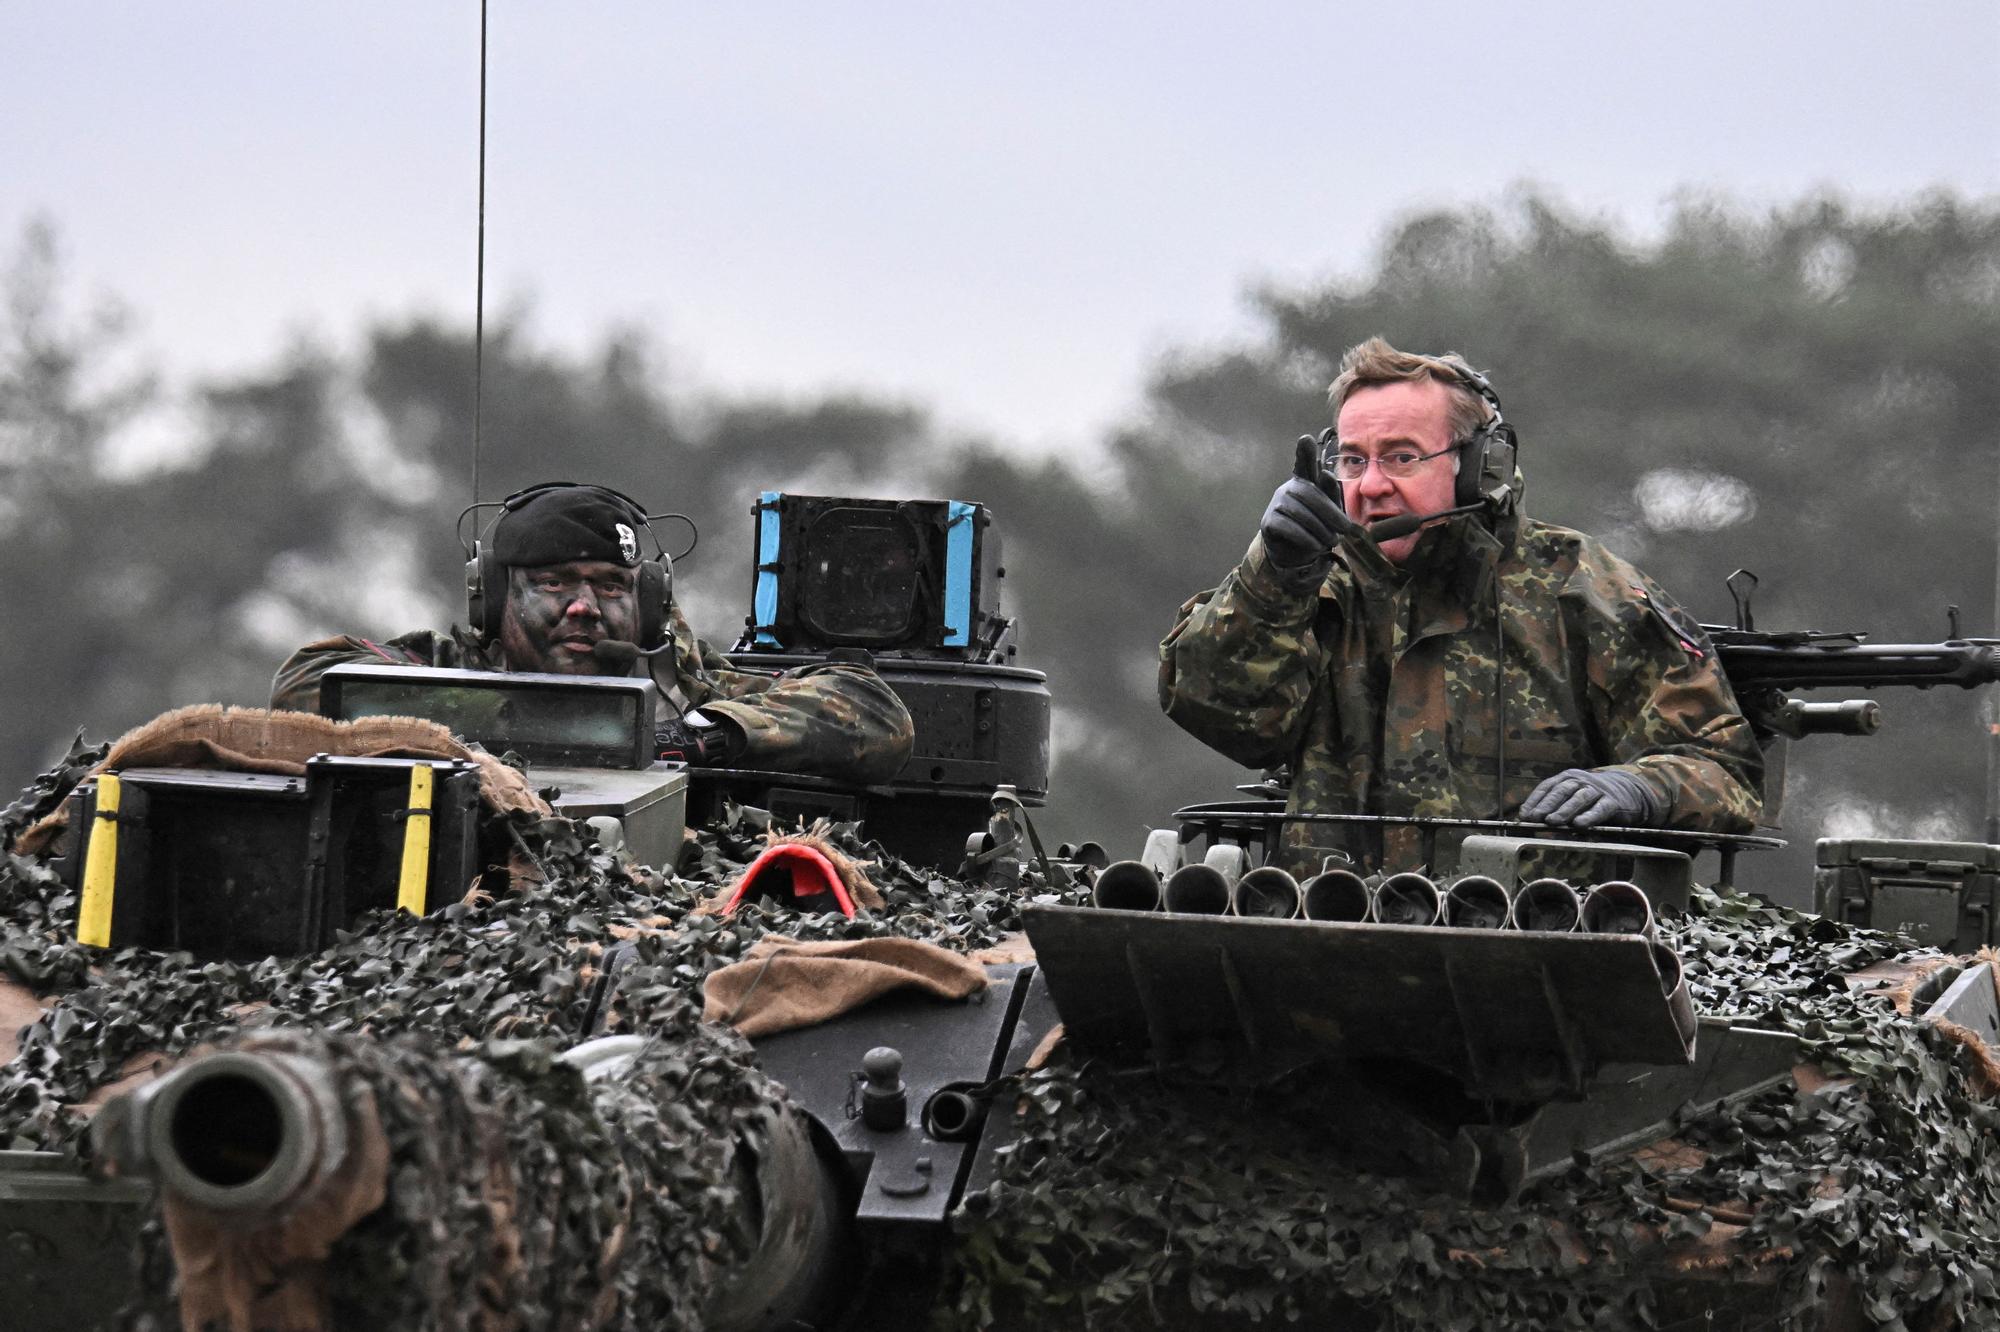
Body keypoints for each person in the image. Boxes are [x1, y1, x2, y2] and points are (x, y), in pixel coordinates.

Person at [1158, 337, 1763, 875]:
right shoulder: (1311, 589)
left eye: (1400, 457)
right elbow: (1223, 712)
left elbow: (1724, 767)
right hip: (1334, 945)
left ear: (1481, 465)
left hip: (1541, 956)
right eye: (1351, 459)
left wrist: (1638, 787)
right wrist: (1274, 574)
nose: (1369, 486)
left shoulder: (1582, 591)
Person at [272, 482, 914, 785]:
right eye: (554, 583)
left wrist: (694, 737)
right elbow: (306, 684)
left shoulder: (684, 688)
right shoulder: (442, 666)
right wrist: (473, 723)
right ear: (494, 598)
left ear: (650, 601)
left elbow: (875, 712)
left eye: (611, 585)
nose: (584, 607)